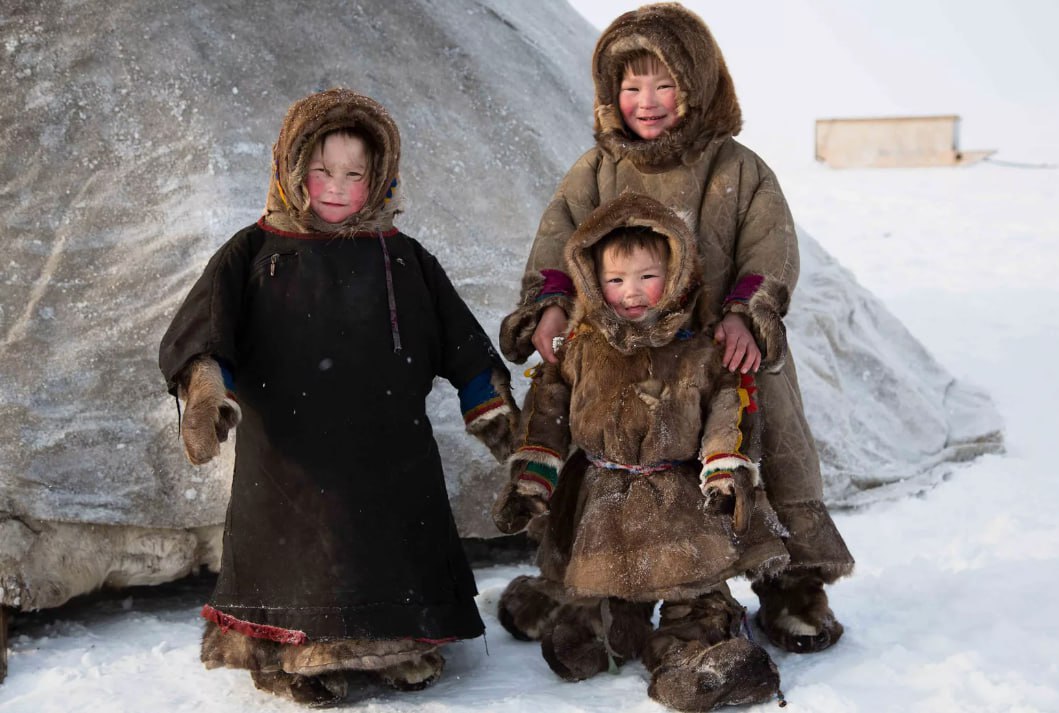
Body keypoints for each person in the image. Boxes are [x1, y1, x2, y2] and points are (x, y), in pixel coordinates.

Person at [496, 2, 853, 662]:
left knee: (765, 456)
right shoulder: (595, 171)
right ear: (610, 94)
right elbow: (556, 243)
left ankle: (793, 588)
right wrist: (548, 305)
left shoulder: (737, 170)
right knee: (613, 469)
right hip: (628, 356)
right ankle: (576, 582)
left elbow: (770, 250)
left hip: (728, 349)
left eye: (663, 83)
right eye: (630, 87)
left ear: (698, 83)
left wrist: (749, 315)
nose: (647, 101)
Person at [158, 88, 517, 705]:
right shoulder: (254, 251)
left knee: (393, 549)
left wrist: (489, 404)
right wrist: (207, 392)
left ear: (379, 178)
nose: (334, 186)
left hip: (390, 449)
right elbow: (207, 329)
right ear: (291, 168)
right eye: (321, 170)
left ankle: (396, 648)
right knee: (301, 559)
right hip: (291, 455)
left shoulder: (403, 257)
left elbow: (459, 338)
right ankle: (294, 653)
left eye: (354, 174)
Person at [494, 193, 790, 710]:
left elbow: (729, 408)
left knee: (692, 595)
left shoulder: (701, 350)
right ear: (591, 281)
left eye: (646, 276)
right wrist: (531, 481)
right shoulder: (579, 348)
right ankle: (605, 636)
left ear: (676, 274)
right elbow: (548, 414)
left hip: (679, 502)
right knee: (605, 590)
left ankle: (692, 663)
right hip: (603, 502)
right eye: (615, 280)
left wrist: (724, 470)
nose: (631, 292)